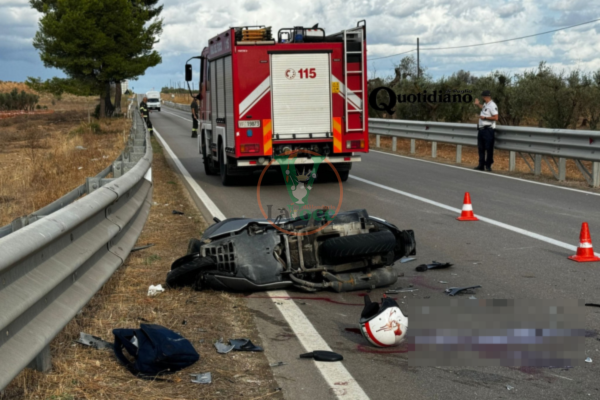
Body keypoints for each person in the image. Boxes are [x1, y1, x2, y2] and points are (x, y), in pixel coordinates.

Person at [473, 90, 498, 171]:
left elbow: (496, 117)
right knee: (481, 148)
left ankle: (488, 165)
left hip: (488, 130)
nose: (482, 98)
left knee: (489, 148)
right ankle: (481, 165)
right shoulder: (486, 104)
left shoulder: (492, 105)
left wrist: (485, 118)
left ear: (485, 97)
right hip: (481, 129)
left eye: (483, 97)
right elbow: (483, 108)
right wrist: (478, 105)